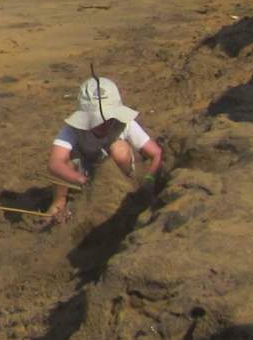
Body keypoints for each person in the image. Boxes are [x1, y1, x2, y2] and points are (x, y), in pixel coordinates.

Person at [38, 76, 162, 231]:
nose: (103, 123)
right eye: (97, 119)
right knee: (65, 161)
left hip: (119, 174)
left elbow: (156, 153)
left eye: (108, 118)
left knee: (120, 149)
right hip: (84, 175)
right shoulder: (73, 130)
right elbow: (54, 163)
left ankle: (125, 194)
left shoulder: (125, 124)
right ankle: (58, 203)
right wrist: (80, 179)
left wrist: (149, 178)